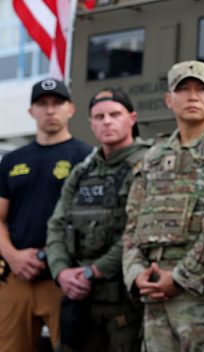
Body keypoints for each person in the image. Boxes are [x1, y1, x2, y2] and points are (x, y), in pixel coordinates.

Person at [122, 60, 204, 351]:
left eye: (201, 90)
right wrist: (136, 274)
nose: (192, 96)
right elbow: (132, 224)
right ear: (169, 100)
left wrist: (180, 278)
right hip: (154, 297)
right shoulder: (154, 156)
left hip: (203, 298)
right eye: (183, 89)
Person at [46, 87, 150, 351]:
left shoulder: (149, 164)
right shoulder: (82, 172)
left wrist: (96, 270)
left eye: (115, 114)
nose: (107, 122)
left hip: (125, 303)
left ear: (132, 118)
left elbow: (137, 231)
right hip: (80, 301)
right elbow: (57, 225)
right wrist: (62, 272)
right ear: (90, 123)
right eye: (99, 116)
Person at [0, 78, 92, 352]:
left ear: (71, 109)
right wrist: (13, 257)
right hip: (15, 278)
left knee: (69, 347)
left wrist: (54, 256)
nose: (50, 110)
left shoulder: (86, 157)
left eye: (57, 103)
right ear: (31, 111)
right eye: (42, 104)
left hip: (62, 277)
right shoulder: (12, 161)